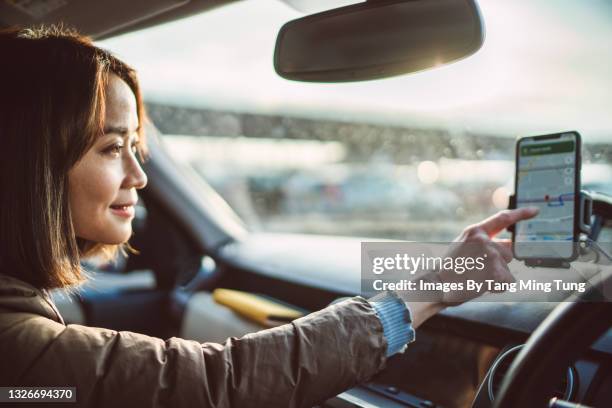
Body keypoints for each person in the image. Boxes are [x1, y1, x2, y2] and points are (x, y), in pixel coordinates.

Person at [0, 26, 538, 407]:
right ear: (31, 163)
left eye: (137, 147)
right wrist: (432, 289)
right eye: (112, 148)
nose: (140, 177)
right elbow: (221, 384)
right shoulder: (19, 350)